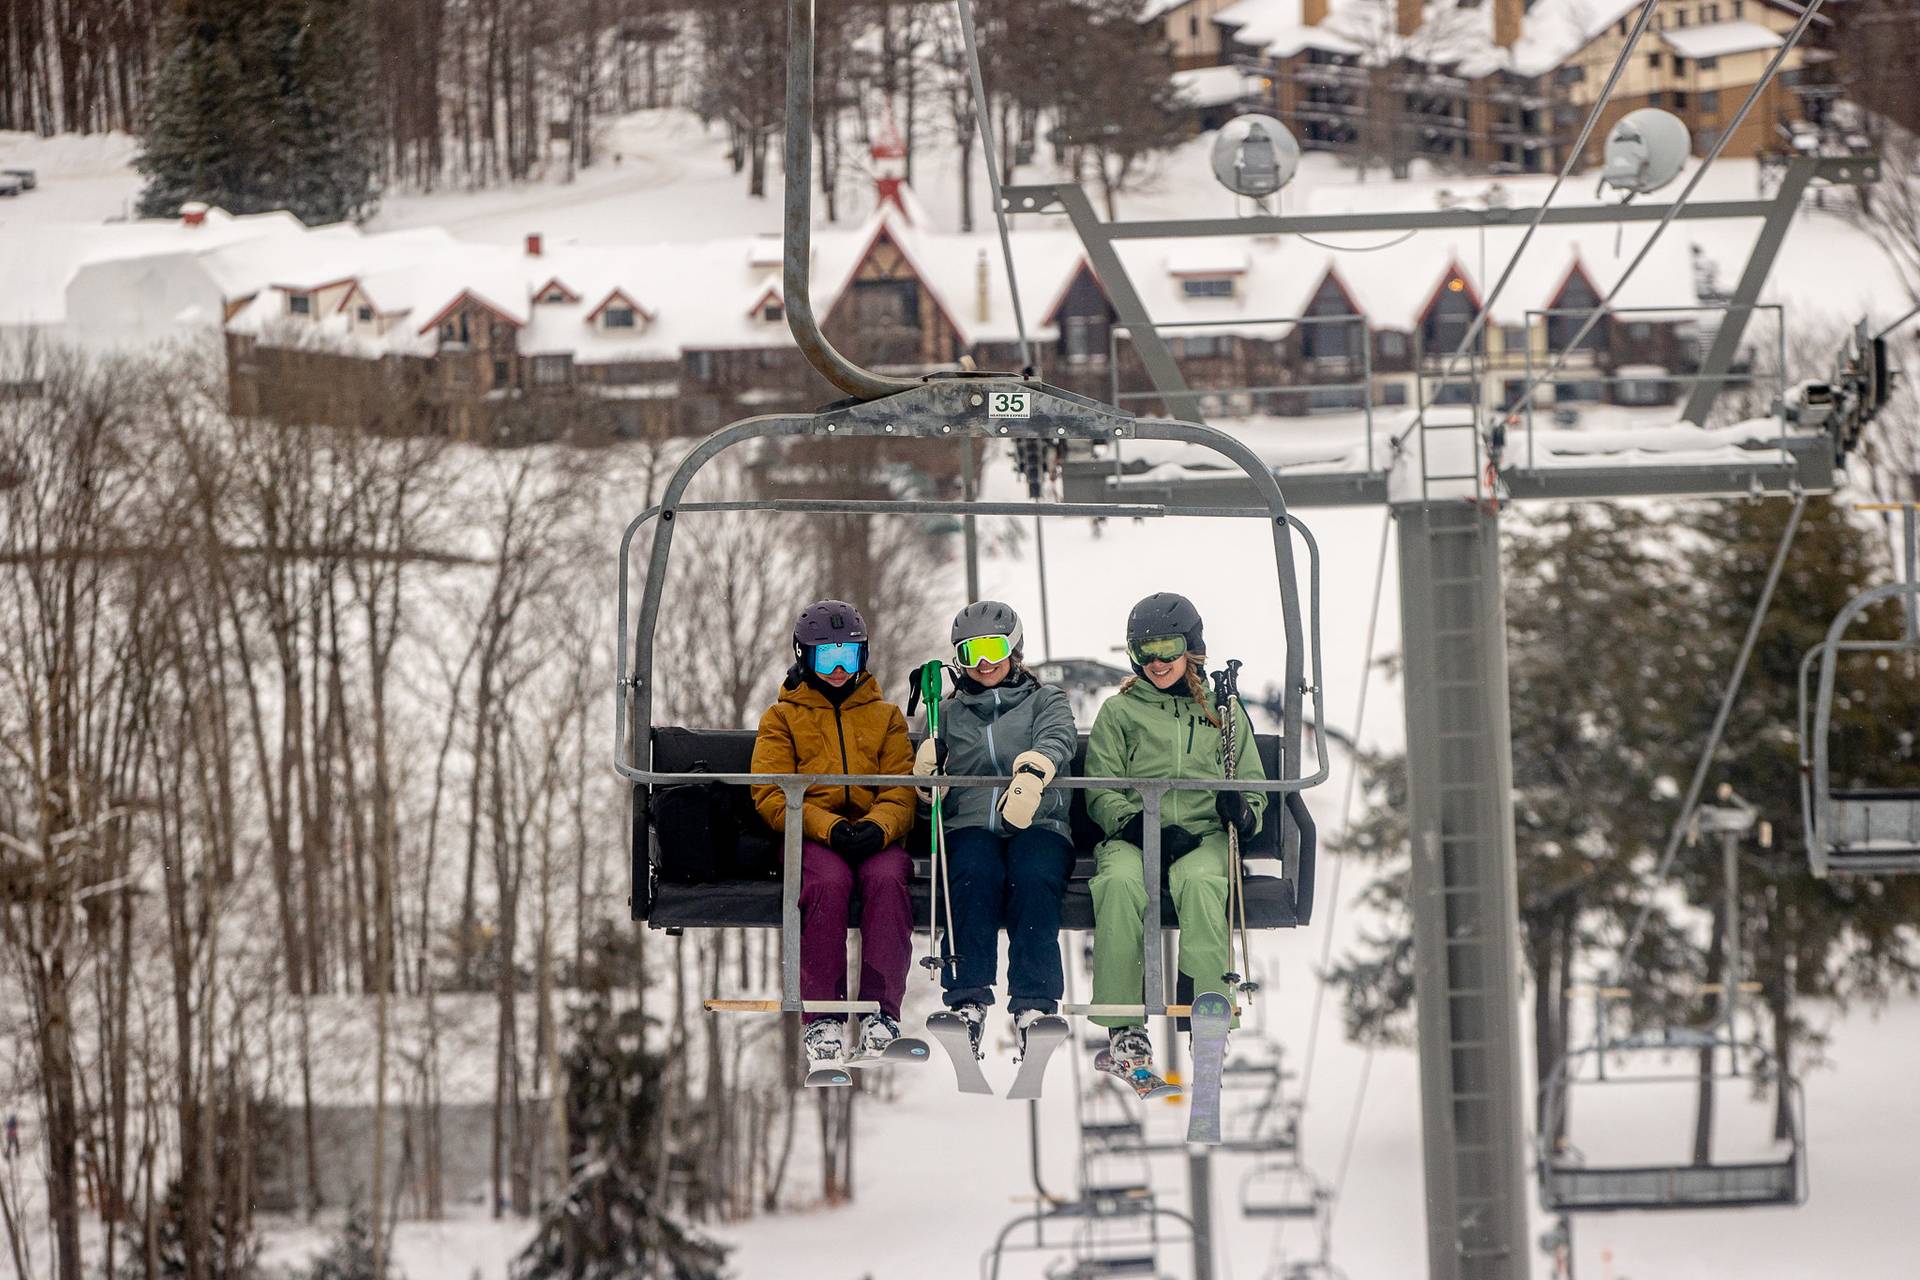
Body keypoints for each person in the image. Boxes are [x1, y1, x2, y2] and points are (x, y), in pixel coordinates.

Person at [1084, 592, 1264, 1086]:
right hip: (1135, 834)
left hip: (1204, 836)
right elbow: (1101, 788)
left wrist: (1242, 813)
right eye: (1145, 652)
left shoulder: (1224, 714)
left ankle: (1207, 1014)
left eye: (1168, 647)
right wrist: (1141, 826)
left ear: (1193, 648)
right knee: (1119, 884)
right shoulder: (1120, 713)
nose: (1157, 662)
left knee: (1202, 882)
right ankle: (1124, 1027)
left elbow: (1252, 783)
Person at [751, 600, 916, 1068]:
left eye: (851, 655)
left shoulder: (884, 717)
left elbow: (901, 790)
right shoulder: (782, 718)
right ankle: (823, 1019)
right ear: (804, 657)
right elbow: (771, 794)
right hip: (813, 836)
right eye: (828, 657)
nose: (841, 668)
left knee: (887, 881)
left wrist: (879, 827)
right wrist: (829, 827)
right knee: (827, 884)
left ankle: (881, 1015)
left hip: (873, 836)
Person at [912, 601, 1077, 1060]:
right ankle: (967, 998)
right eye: (971, 653)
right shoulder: (944, 714)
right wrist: (928, 790)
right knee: (971, 872)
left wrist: (1034, 772)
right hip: (970, 826)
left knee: (1034, 875)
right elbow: (929, 815)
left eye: (994, 648)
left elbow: (1058, 736)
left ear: (1015, 648)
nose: (984, 663)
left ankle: (1033, 1005)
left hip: (1038, 822)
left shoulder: (1046, 700)